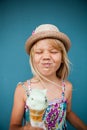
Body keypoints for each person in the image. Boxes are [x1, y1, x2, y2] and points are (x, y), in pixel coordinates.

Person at [9, 24, 87, 130]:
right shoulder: (23, 90)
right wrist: (25, 129)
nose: (46, 57)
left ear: (62, 57)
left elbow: (68, 113)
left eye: (54, 52)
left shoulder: (67, 87)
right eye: (39, 52)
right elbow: (13, 126)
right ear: (32, 58)